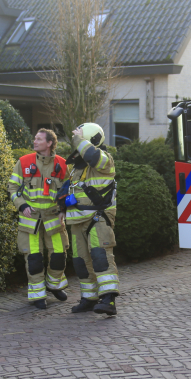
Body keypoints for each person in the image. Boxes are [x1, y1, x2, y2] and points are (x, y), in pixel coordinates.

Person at [7, 129, 69, 309]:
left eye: (39, 139)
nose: (35, 141)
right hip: (30, 219)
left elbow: (67, 190)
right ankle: (38, 295)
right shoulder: (24, 162)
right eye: (35, 138)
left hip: (53, 218)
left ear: (49, 143)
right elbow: (12, 188)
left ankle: (53, 284)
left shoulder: (62, 164)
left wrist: (63, 208)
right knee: (34, 258)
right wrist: (22, 205)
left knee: (59, 255)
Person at [62, 123, 119, 315]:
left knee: (101, 257)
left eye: (79, 140)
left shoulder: (104, 160)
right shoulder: (77, 168)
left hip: (98, 218)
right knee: (80, 261)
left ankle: (109, 300)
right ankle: (89, 297)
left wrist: (80, 140)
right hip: (77, 220)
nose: (76, 145)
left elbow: (93, 156)